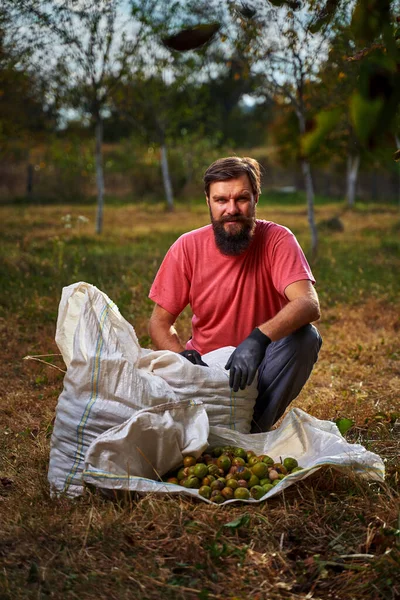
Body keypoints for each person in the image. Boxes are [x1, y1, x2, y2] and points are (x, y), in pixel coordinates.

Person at [148, 156, 322, 432]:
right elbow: (159, 323)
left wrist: (258, 339)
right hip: (205, 371)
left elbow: (308, 303)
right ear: (208, 201)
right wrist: (181, 356)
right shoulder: (186, 247)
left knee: (306, 338)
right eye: (221, 200)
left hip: (261, 367)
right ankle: (214, 428)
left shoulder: (278, 239)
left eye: (241, 199)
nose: (231, 209)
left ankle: (249, 430)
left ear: (256, 198)